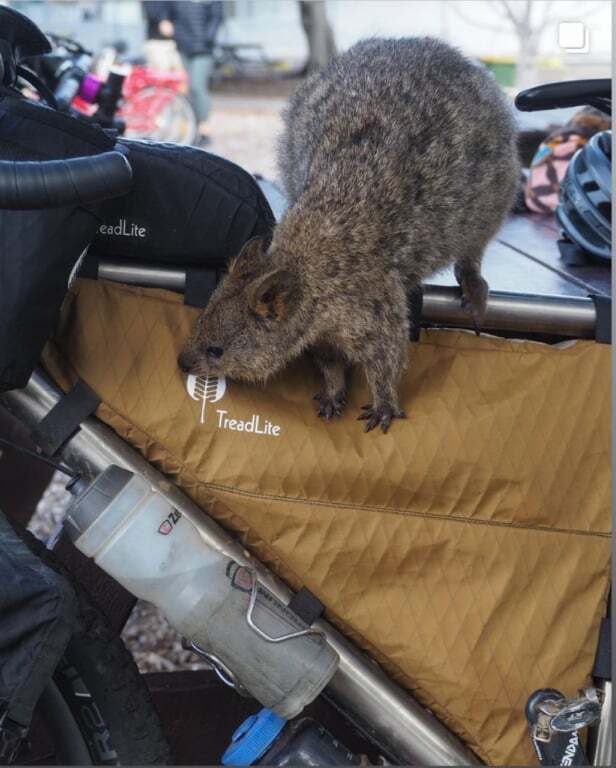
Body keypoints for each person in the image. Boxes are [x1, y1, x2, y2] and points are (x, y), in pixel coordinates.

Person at [157, 1, 224, 147]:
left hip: (203, 49)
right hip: (183, 46)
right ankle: (192, 128)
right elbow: (167, 10)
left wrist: (207, 39)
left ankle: (204, 128)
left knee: (197, 86)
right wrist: (165, 21)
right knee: (185, 89)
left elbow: (217, 17)